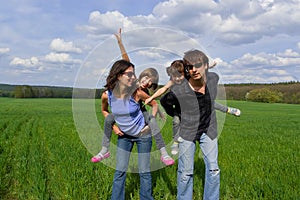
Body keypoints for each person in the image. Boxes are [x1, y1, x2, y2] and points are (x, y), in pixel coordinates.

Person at [91, 28, 174, 166]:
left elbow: (153, 103)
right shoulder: (132, 82)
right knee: (109, 119)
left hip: (140, 113)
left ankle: (164, 153)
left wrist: (156, 114)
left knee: (152, 122)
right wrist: (120, 43)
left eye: (150, 83)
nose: (147, 83)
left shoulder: (141, 92)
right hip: (126, 111)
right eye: (147, 78)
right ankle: (104, 149)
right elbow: (126, 61)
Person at [160, 49, 221, 200]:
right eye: (190, 67)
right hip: (187, 131)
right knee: (186, 172)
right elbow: (164, 101)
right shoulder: (180, 90)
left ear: (205, 65)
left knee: (214, 169)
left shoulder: (213, 79)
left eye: (198, 65)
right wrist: (177, 114)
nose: (194, 70)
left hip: (209, 128)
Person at [145, 59, 241, 155]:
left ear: (185, 72)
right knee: (176, 121)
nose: (177, 79)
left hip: (192, 103)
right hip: (179, 106)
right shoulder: (172, 80)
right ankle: (175, 142)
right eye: (174, 76)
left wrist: (210, 66)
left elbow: (200, 70)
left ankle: (229, 110)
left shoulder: (188, 76)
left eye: (180, 76)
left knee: (210, 103)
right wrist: (151, 98)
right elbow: (163, 89)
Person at [103, 59, 154, 200]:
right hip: (124, 136)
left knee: (144, 171)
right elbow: (105, 111)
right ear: (119, 75)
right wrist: (113, 126)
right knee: (120, 170)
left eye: (133, 74)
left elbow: (154, 104)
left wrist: (150, 125)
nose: (133, 77)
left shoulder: (136, 92)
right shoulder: (108, 94)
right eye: (129, 74)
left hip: (143, 135)